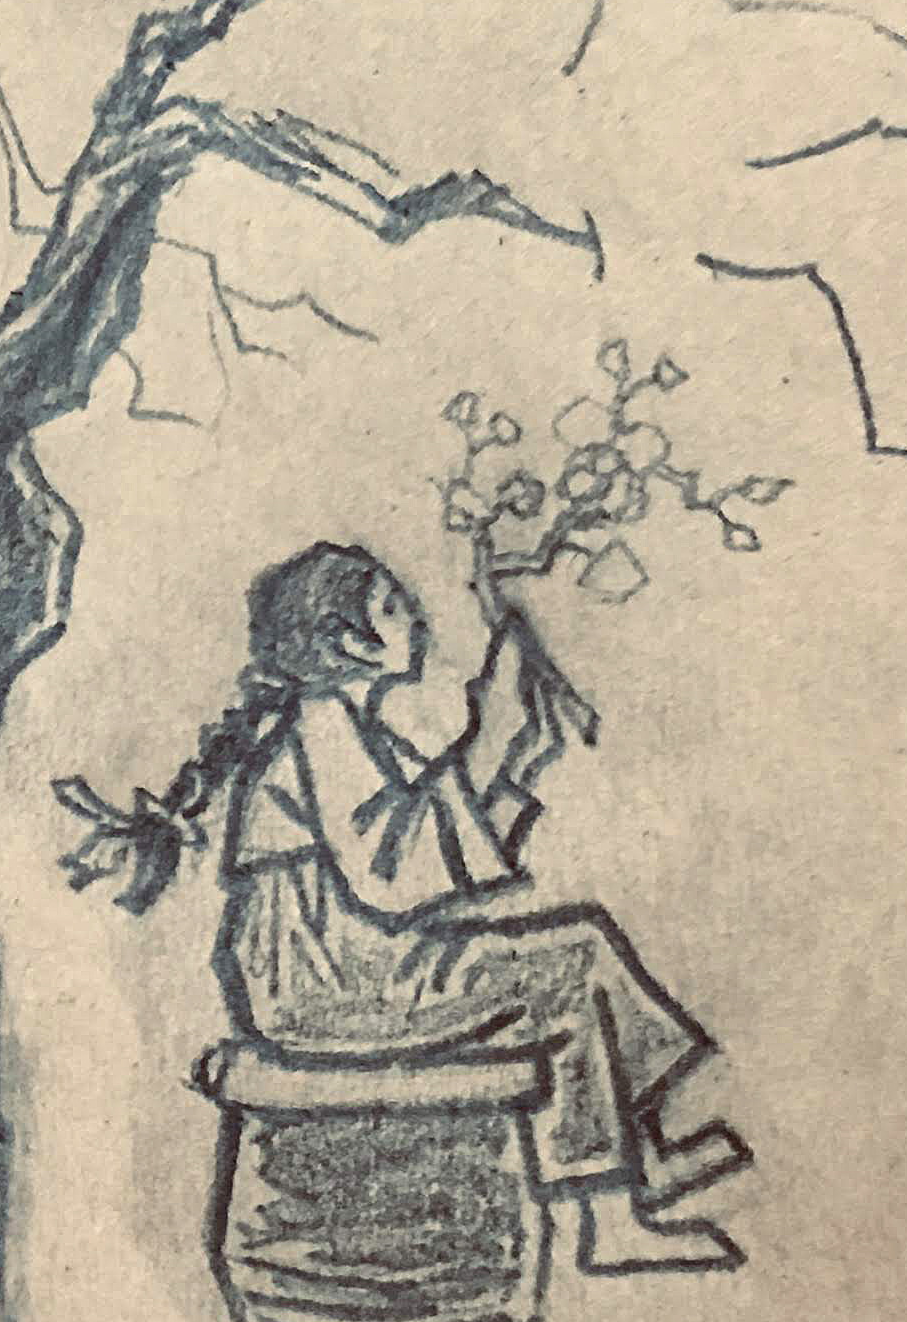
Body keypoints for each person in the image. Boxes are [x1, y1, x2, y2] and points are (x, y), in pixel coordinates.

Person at [65, 540, 749, 1273]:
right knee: (568, 969)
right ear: (349, 642)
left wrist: (513, 763)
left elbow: (433, 851)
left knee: (579, 952)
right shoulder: (322, 725)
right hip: (323, 981)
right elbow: (394, 872)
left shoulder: (349, 729)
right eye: (393, 608)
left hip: (354, 960)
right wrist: (488, 746)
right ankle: (607, 1220)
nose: (416, 619)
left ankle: (638, 1156)